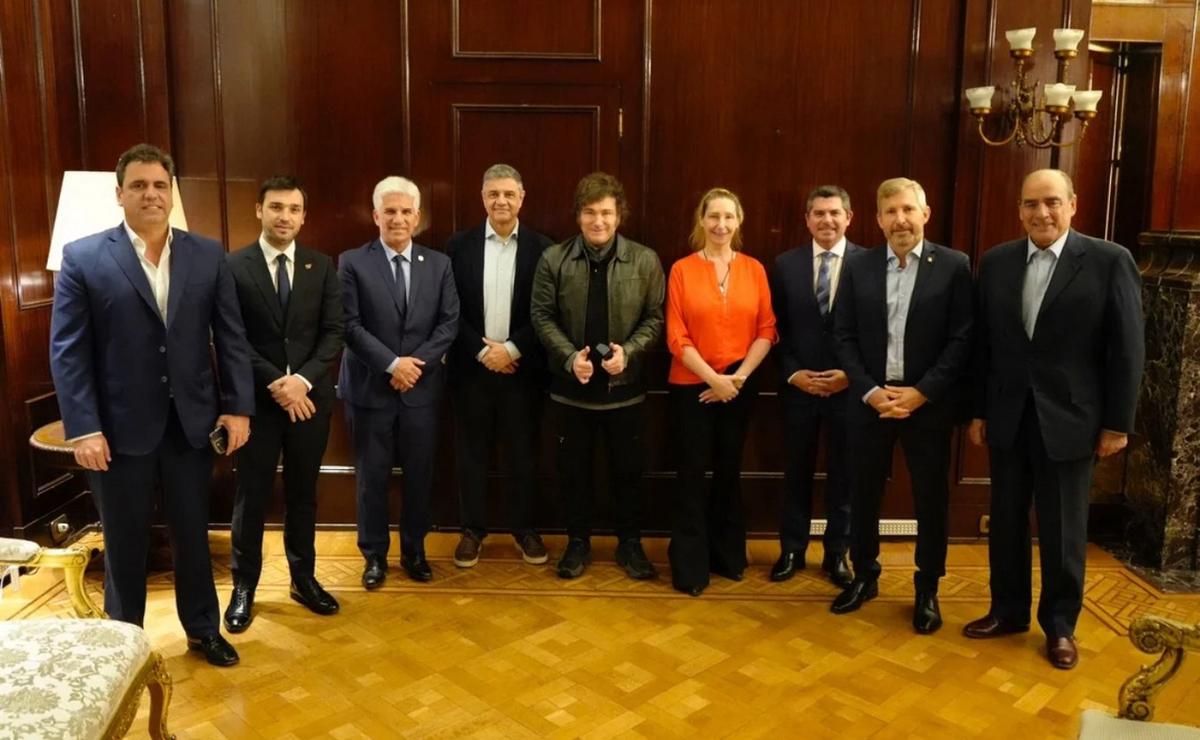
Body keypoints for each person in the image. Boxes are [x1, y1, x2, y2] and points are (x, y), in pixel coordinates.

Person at [50, 143, 253, 666]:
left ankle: (203, 630)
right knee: (124, 543)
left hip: (191, 425)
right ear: (119, 195)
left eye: (160, 185)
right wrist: (83, 428)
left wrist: (237, 408)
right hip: (117, 432)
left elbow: (230, 339)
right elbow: (68, 351)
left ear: (171, 193)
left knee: (193, 534)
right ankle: (124, 644)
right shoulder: (83, 257)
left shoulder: (208, 254)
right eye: (138, 185)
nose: (151, 194)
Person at [963, 169, 1144, 670]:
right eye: (1030, 204)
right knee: (1005, 521)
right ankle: (1008, 611)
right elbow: (985, 346)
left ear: (1072, 205)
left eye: (1051, 203)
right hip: (1007, 415)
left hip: (1072, 419)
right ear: (1019, 209)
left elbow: (1127, 350)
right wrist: (978, 410)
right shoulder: (997, 262)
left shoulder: (1109, 261)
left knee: (1064, 529)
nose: (1041, 213)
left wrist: (1116, 423)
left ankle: (1061, 626)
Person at [831, 177, 972, 634]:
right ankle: (865, 575)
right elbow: (844, 335)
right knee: (863, 493)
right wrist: (870, 391)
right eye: (890, 211)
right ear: (877, 219)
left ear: (925, 214)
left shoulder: (953, 266)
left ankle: (926, 587)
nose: (900, 219)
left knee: (931, 499)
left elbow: (961, 339)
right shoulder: (858, 266)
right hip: (870, 400)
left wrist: (922, 391)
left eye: (909, 210)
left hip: (926, 404)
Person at [530, 172, 664, 580]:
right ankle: (577, 544)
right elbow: (541, 314)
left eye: (606, 212)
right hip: (571, 392)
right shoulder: (554, 258)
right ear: (578, 216)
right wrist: (570, 358)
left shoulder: (645, 259)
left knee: (628, 473)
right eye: (590, 212)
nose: (598, 221)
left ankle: (630, 545)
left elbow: (656, 317)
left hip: (626, 393)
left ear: (619, 215)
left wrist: (632, 352)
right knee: (574, 475)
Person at [224, 176, 344, 633]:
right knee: (250, 497)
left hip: (310, 403)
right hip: (256, 402)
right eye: (276, 207)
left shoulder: (321, 265)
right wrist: (278, 381)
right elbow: (230, 337)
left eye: (294, 209)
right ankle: (244, 587)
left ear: (303, 216)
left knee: (303, 494)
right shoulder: (234, 267)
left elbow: (334, 332)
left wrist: (303, 381)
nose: (285, 217)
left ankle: (303, 578)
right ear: (259, 210)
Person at [339, 176, 460, 585]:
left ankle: (414, 551)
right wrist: (392, 364)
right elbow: (349, 325)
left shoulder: (439, 264)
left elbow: (448, 324)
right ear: (376, 216)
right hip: (370, 390)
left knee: (420, 475)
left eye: (406, 211)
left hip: (421, 391)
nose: (398, 218)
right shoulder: (352, 262)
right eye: (389, 211)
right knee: (371, 478)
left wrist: (413, 366)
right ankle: (374, 556)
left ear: (418, 217)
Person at [665, 188, 776, 596]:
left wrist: (737, 379)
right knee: (692, 475)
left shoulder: (755, 269)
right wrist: (713, 380)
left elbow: (766, 330)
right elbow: (676, 335)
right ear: (701, 220)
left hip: (740, 387)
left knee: (729, 472)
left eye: (729, 217)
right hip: (691, 387)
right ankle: (691, 568)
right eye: (713, 216)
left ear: (739, 220)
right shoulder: (681, 269)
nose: (721, 225)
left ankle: (728, 557)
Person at [447, 164, 554, 568]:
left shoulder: (544, 248)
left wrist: (511, 349)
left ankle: (524, 530)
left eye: (509, 193)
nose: (501, 201)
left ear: (522, 197)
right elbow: (448, 308)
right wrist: (482, 350)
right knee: (470, 453)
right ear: (482, 197)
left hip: (522, 372)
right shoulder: (458, 246)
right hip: (471, 371)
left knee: (523, 454)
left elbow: (547, 312)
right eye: (493, 193)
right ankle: (472, 530)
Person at [769, 185, 861, 588]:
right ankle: (792, 549)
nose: (827, 220)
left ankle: (836, 554)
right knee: (796, 473)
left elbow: (873, 333)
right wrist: (795, 374)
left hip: (849, 389)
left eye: (834, 213)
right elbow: (775, 329)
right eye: (819, 213)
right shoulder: (784, 265)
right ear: (807, 219)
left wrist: (850, 375)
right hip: (798, 390)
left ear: (849, 218)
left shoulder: (868, 263)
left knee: (845, 475)